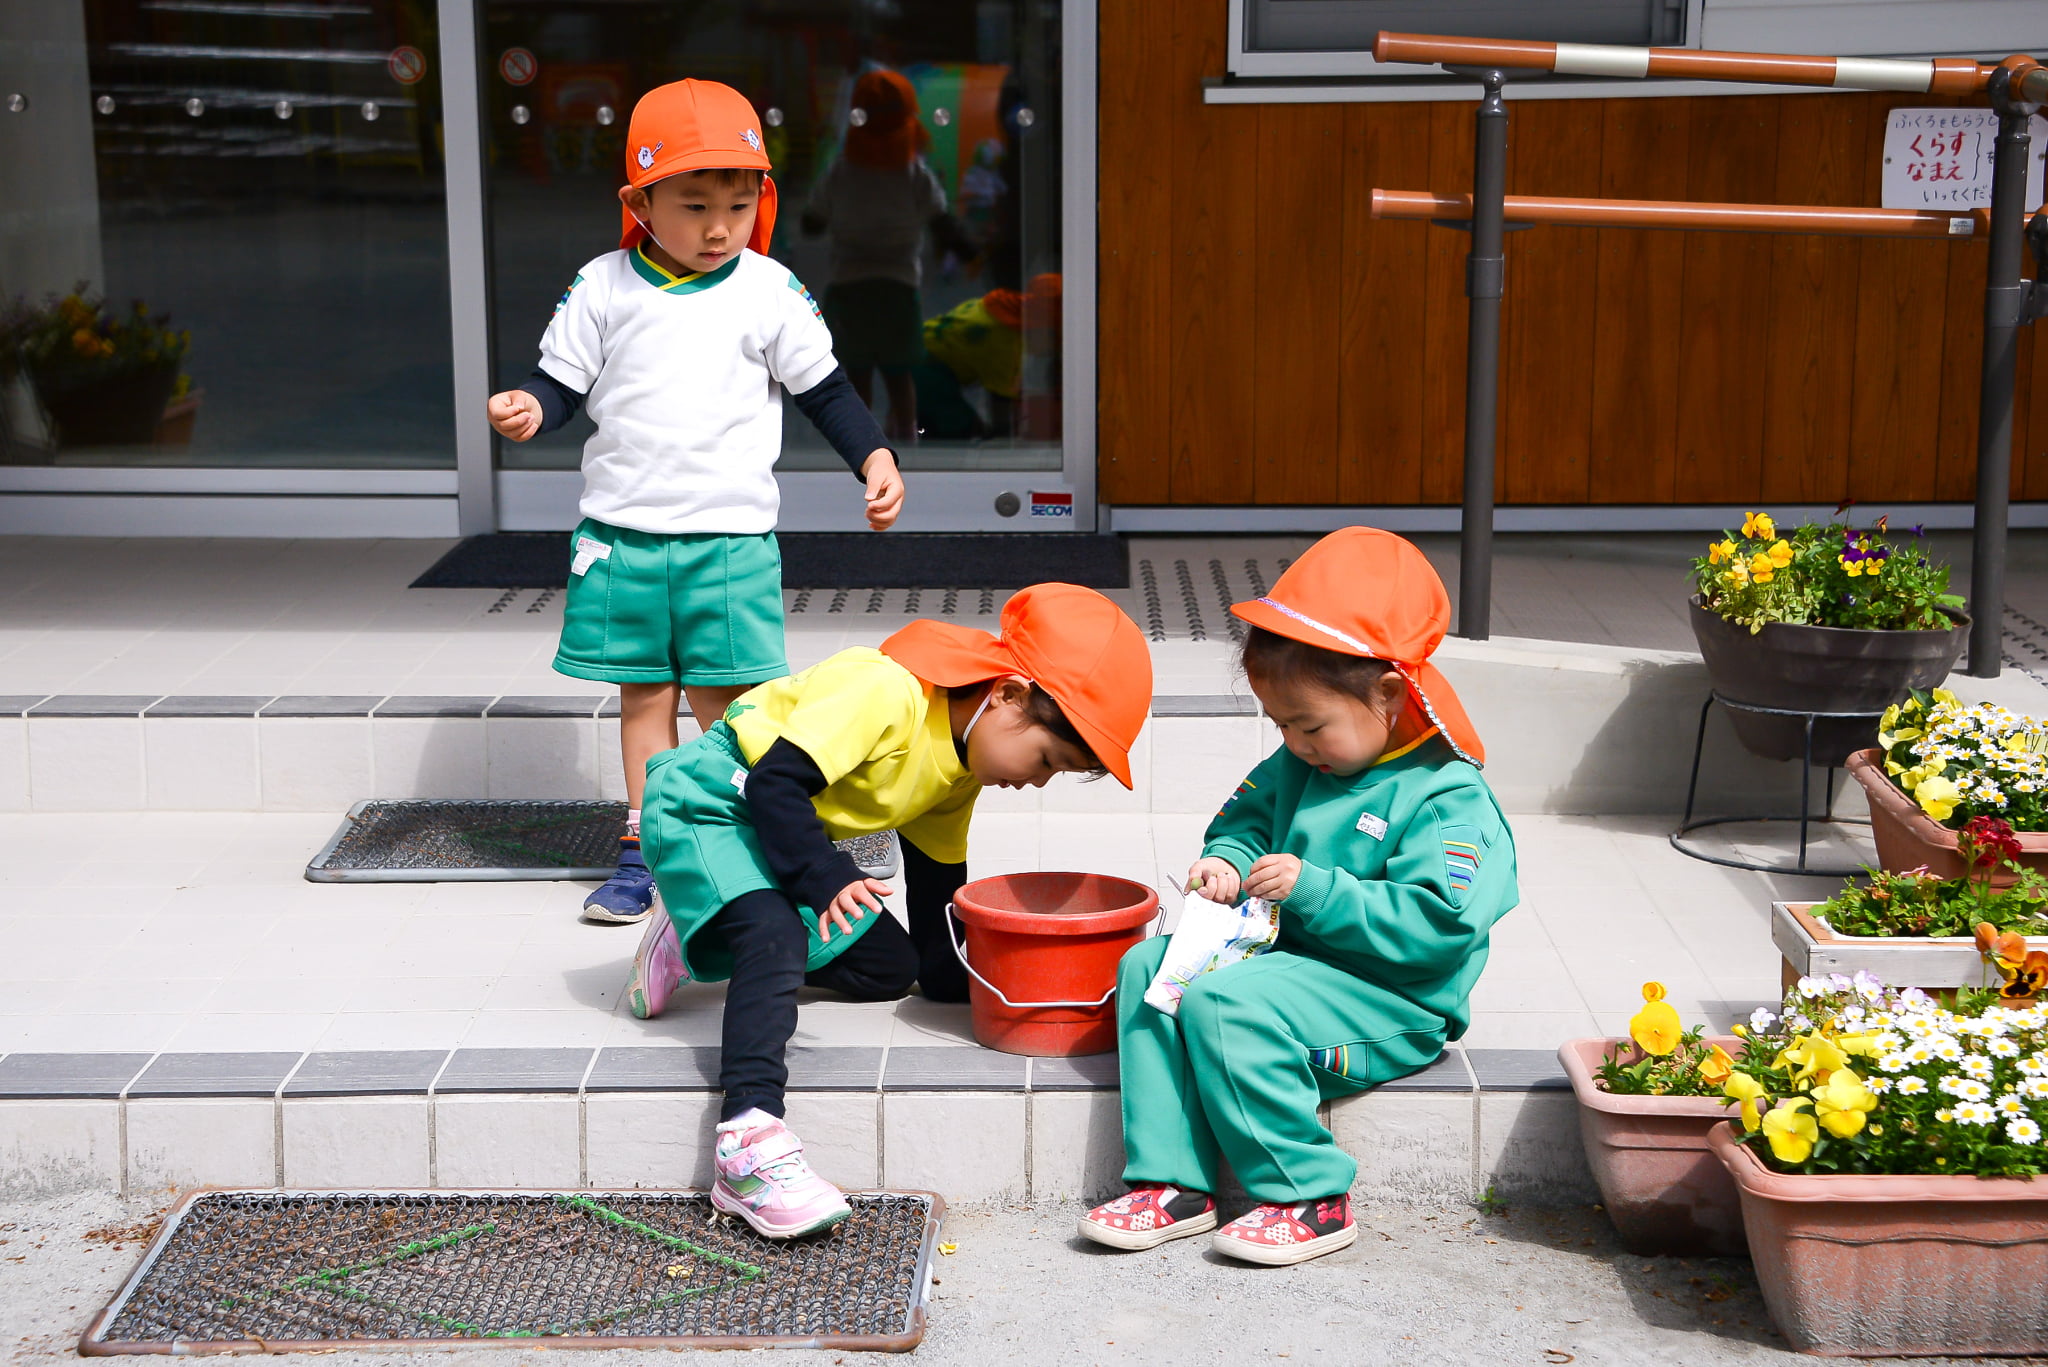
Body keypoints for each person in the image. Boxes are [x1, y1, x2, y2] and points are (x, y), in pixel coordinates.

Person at [485, 79, 906, 925]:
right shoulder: (603, 286)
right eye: (694, 204)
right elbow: (560, 382)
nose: (720, 228)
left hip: (729, 545)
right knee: (644, 700)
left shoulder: (768, 290)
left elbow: (823, 389)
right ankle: (649, 849)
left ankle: (746, 837)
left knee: (736, 708)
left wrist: (875, 454)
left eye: (740, 204)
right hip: (624, 539)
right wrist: (531, 407)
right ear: (638, 202)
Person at [622, 583, 1152, 1238]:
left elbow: (937, 906)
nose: (1038, 781)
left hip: (773, 836)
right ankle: (747, 1144)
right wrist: (823, 874)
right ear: (1009, 693)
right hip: (709, 799)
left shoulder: (959, 772)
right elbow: (774, 782)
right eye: (1047, 759)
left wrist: (1004, 988)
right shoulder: (883, 690)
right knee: (777, 930)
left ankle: (703, 920)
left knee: (888, 965)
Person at [1078, 528, 1519, 1267]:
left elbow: (1440, 927)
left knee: (1225, 1001)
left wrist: (1317, 888)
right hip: (1287, 964)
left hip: (1392, 1001)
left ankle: (1309, 1194)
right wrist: (1226, 860)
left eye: (1309, 724)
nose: (1294, 743)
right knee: (1146, 968)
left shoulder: (1447, 795)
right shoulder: (1299, 758)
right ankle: (1172, 1183)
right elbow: (1246, 819)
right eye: (1281, 724)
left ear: (1388, 693)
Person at [800, 68, 977, 442]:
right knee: (900, 375)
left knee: (857, 373)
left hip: (850, 284)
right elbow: (941, 220)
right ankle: (907, 439)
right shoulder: (913, 172)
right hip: (898, 285)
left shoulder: (842, 170)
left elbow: (813, 220)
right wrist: (970, 251)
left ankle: (860, 444)